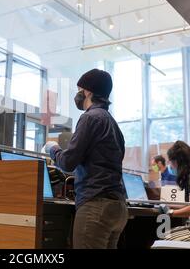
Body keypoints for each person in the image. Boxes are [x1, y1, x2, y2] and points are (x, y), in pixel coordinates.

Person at [43, 69, 128, 249]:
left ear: (88, 91)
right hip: (118, 207)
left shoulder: (89, 118)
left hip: (95, 205)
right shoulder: (113, 123)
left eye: (79, 89)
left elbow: (67, 162)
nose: (78, 94)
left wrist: (53, 149)